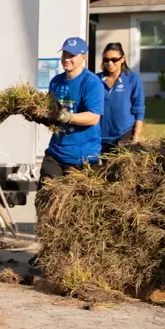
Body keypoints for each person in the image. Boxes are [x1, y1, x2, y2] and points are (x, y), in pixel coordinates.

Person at [30, 37, 104, 266]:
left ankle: (78, 258)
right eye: (64, 55)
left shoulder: (91, 83)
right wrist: (40, 115)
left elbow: (93, 117)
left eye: (71, 55)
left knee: (77, 209)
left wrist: (69, 116)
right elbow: (53, 115)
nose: (66, 59)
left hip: (83, 156)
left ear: (84, 57)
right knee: (46, 201)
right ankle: (48, 251)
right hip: (56, 151)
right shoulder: (56, 82)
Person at [97, 42, 145, 153]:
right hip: (100, 136)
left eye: (114, 60)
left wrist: (136, 136)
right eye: (106, 60)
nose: (110, 63)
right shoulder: (95, 80)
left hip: (124, 135)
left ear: (122, 59)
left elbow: (139, 109)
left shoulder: (133, 79)